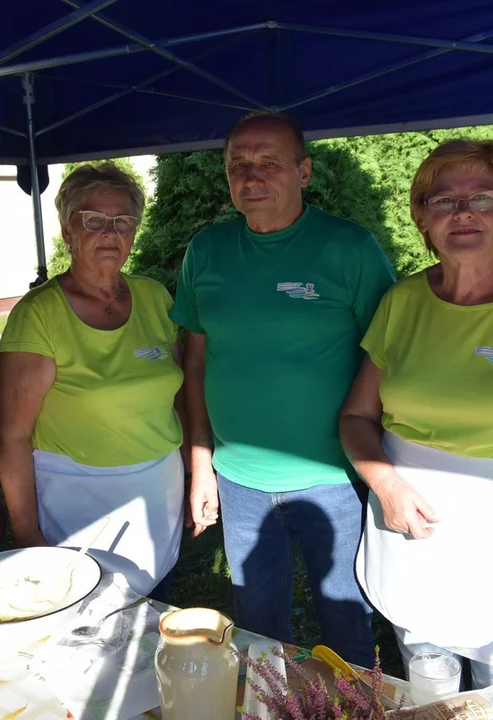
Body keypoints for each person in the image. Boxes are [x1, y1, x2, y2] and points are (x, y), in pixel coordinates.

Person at [341, 139, 493, 689]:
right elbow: (356, 418)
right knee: (427, 673)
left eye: (482, 197)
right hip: (411, 520)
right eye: (442, 201)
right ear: (423, 219)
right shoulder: (402, 301)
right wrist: (386, 486)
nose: (463, 214)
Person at [173, 111, 395, 668]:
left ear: (304, 171)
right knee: (256, 629)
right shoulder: (207, 251)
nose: (251, 176)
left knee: (346, 621)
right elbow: (194, 363)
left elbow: (389, 355)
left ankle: (351, 706)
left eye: (268, 162)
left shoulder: (350, 249)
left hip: (335, 479)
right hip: (239, 479)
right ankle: (270, 705)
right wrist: (201, 463)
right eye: (237, 165)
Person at [0, 163, 185, 598]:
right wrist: (27, 538)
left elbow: (176, 393)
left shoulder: (155, 296)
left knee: (154, 621)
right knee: (83, 625)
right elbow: (11, 438)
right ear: (68, 230)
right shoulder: (39, 314)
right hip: (77, 503)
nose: (110, 232)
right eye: (94, 220)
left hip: (160, 492)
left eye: (123, 222)